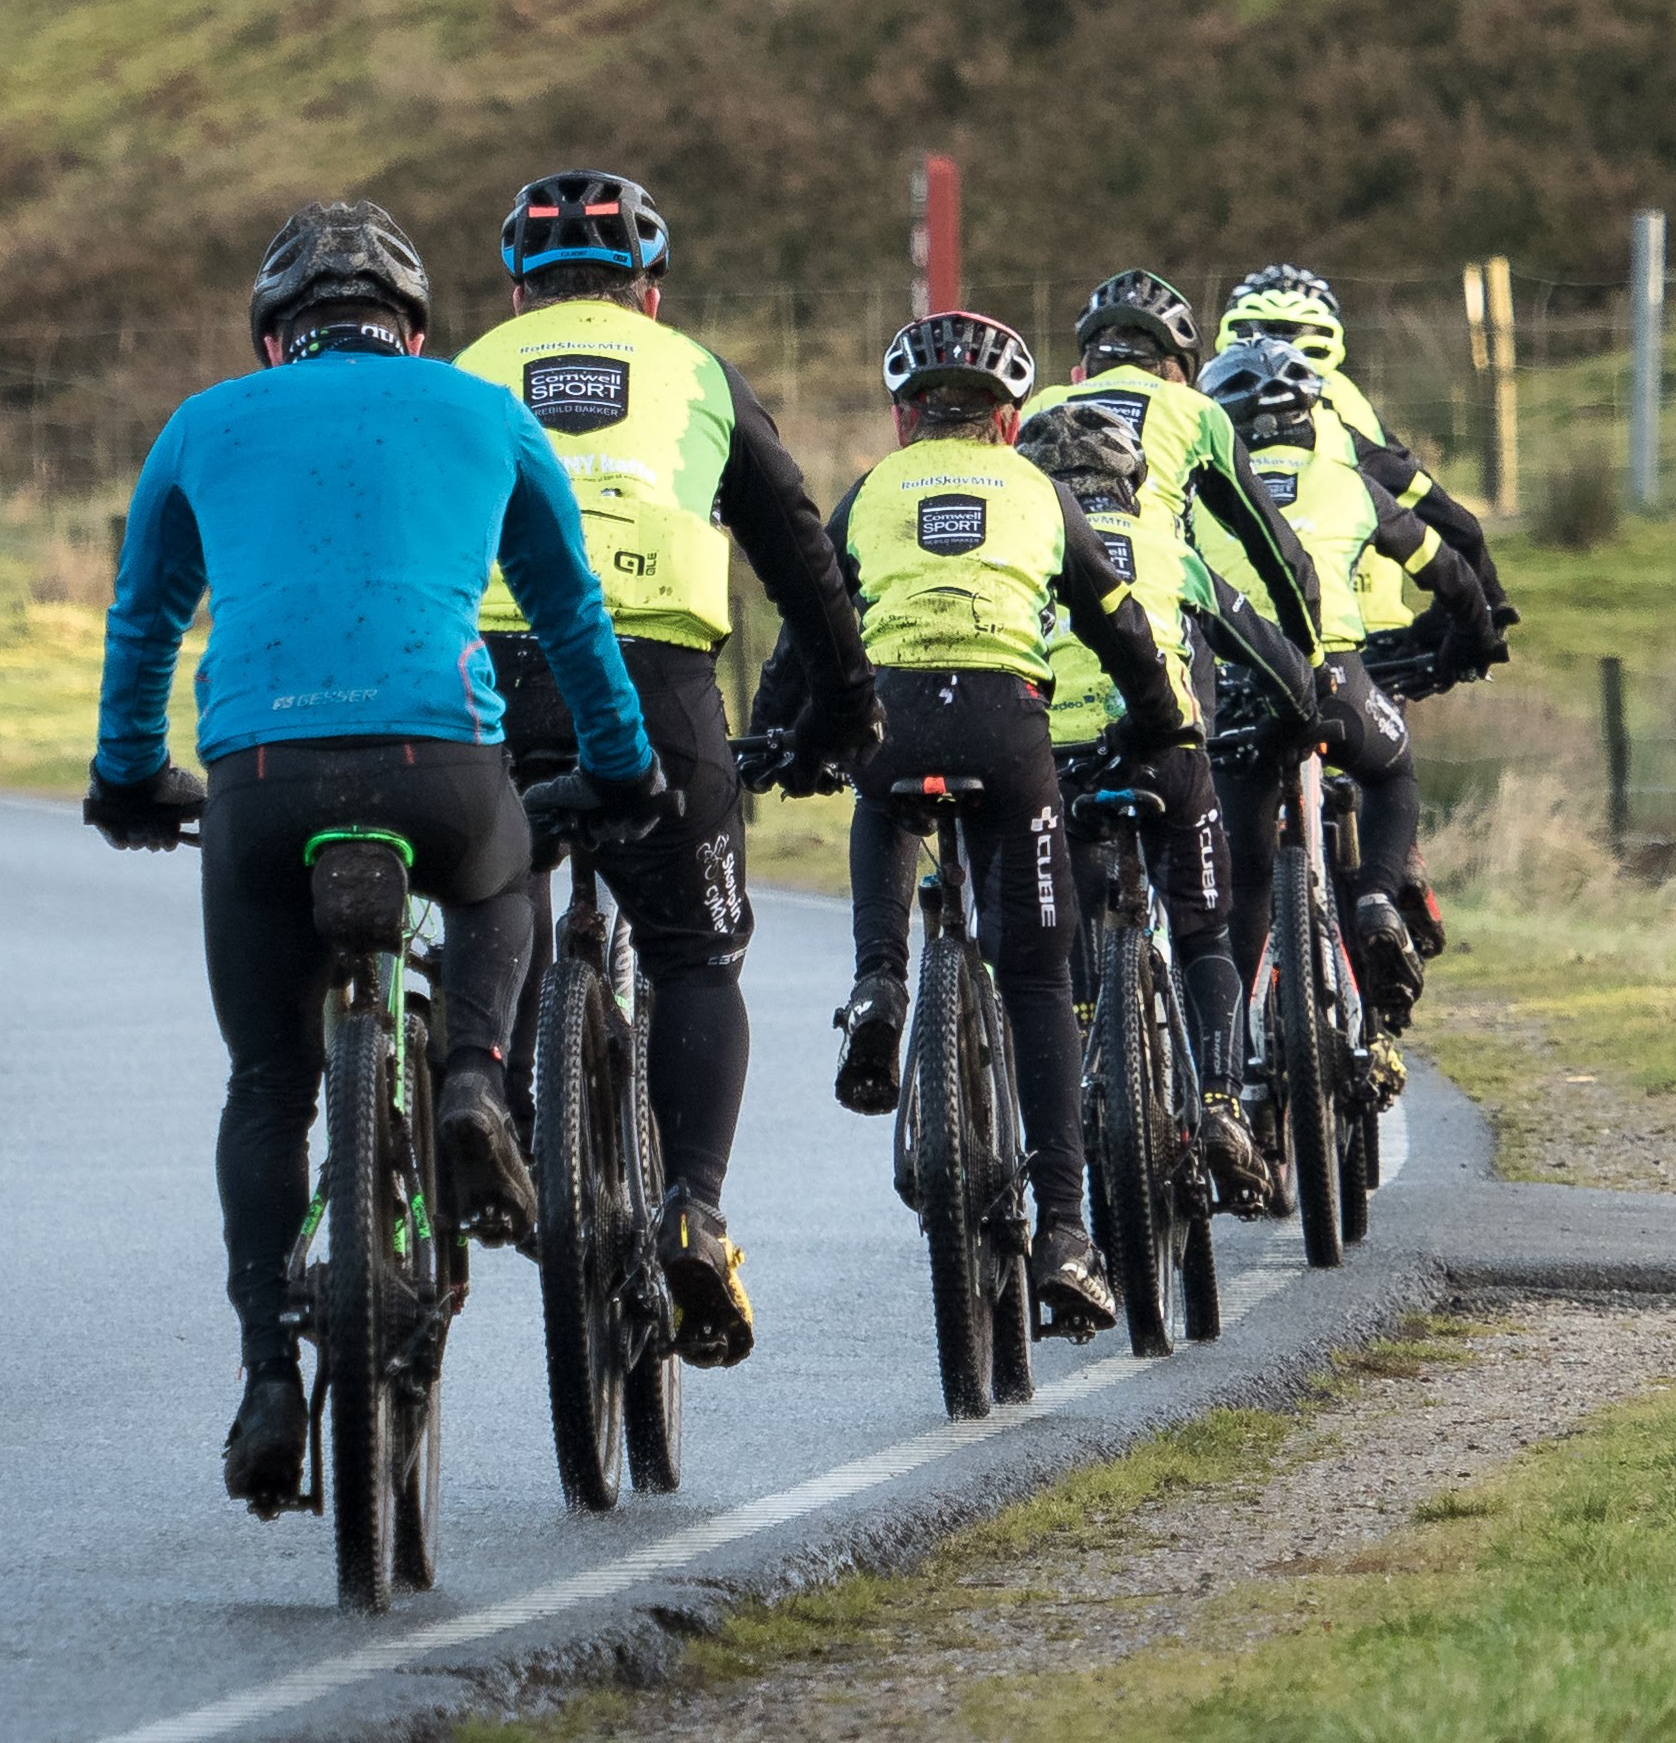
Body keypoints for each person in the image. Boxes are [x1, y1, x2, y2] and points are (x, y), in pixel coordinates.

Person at [83, 200, 671, 1509]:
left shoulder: (203, 423)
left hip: (260, 779)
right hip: (441, 765)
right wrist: (623, 758)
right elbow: (572, 614)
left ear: (274, 335)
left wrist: (127, 772)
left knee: (265, 1082)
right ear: (413, 328)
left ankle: (264, 1378)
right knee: (501, 861)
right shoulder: (483, 411)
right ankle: (472, 1076)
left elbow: (144, 619)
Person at [454, 170, 880, 1370]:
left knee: (500, 892)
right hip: (658, 681)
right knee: (695, 953)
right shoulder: (691, 369)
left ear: (519, 286)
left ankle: (517, 1119)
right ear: (648, 288)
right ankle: (693, 1204)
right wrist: (845, 700)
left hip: (492, 669)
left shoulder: (472, 366)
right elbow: (796, 541)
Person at [750, 311, 1191, 1337]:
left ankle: (877, 983)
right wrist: (1162, 717)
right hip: (1008, 728)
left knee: (878, 789)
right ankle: (1069, 1232)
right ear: (1006, 420)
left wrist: (779, 737)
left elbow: (809, 624)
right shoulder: (1036, 488)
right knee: (1034, 976)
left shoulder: (870, 489)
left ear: (904, 418)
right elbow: (1116, 620)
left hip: (894, 717)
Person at [1015, 401, 1310, 1212]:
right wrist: (1295, 716)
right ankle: (1218, 1102)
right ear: (1131, 481)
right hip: (1171, 759)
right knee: (1203, 932)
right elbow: (1276, 661)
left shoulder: (1022, 546)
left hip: (1057, 763)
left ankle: (1078, 1059)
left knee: (1059, 935)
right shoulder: (1170, 552)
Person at [1193, 336, 1498, 1034]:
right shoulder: (1351, 485)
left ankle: (1238, 1065)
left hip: (1244, 693)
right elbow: (1448, 570)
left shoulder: (1202, 496)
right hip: (1338, 680)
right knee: (1392, 777)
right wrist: (1469, 642)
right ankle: (1376, 902)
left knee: (1245, 886)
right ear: (1310, 414)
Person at [1020, 269, 1324, 683]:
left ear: (1087, 362)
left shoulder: (1042, 404)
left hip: (1045, 620)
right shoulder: (1195, 409)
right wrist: (1311, 659)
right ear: (1178, 367)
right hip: (1160, 607)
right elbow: (1276, 549)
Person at [1216, 264, 1515, 638]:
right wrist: (1487, 604)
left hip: (1230, 627)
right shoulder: (1346, 408)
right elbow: (1448, 518)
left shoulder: (1206, 407)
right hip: (1364, 628)